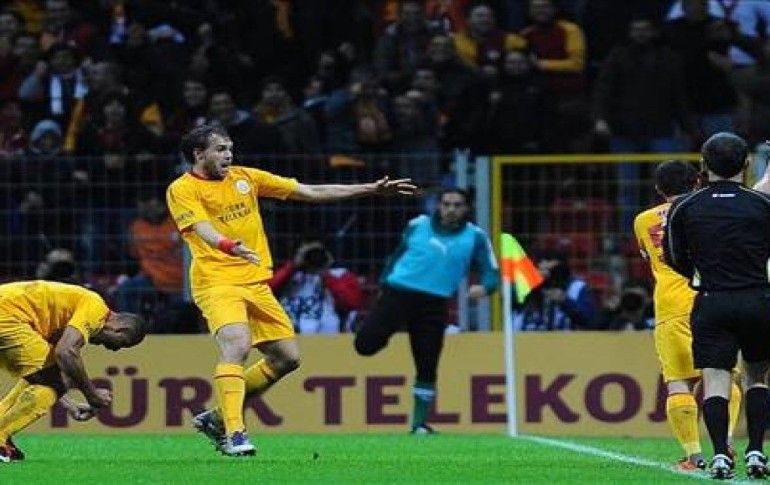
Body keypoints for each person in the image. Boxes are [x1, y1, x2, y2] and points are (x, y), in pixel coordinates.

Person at [165, 123, 415, 456]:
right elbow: (201, 228)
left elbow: (310, 192)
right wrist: (228, 245)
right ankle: (235, 433)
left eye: (230, 148)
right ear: (199, 154)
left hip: (255, 281)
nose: (228, 155)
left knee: (287, 358)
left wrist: (370, 189)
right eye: (220, 149)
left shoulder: (246, 178)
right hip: (216, 281)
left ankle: (217, 418)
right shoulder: (182, 189)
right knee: (237, 345)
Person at [663, 132, 770, 479]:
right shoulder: (761, 204)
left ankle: (721, 455)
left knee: (715, 380)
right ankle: (756, 451)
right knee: (757, 377)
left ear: (703, 165)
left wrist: (704, 273)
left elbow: (674, 257)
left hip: (712, 300)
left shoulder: (686, 206)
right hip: (757, 298)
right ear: (747, 163)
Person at [353, 188, 499, 434]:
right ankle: (388, 328)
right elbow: (395, 257)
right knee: (365, 346)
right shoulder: (418, 225)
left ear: (466, 208)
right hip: (398, 295)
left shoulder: (475, 236)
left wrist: (484, 288)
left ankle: (419, 424)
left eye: (457, 205)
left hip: (434, 303)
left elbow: (491, 272)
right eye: (447, 204)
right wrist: (383, 285)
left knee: (427, 364)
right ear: (439, 206)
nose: (451, 209)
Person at [635, 160, 742, 471]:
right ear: (697, 181)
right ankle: (725, 444)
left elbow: (650, 258)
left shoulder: (643, 220)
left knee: (679, 382)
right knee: (722, 374)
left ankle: (694, 456)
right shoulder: (711, 208)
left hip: (671, 305)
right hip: (714, 296)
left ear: (659, 189)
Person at [0, 280, 148, 462]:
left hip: (8, 311)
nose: (114, 349)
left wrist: (70, 404)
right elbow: (66, 352)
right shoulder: (96, 310)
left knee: (47, 375)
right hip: (8, 316)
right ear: (121, 329)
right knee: (56, 375)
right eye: (122, 344)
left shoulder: (65, 317)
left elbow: (45, 377)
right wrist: (92, 394)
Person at [267, 240, 363, 334]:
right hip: (290, 333)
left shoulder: (340, 274)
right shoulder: (287, 273)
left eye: (318, 252)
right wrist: (293, 265)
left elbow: (352, 303)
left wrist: (325, 273)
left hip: (326, 336)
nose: (314, 257)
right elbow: (267, 289)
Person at [512, 251, 596, 331]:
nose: (548, 276)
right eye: (542, 271)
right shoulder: (529, 288)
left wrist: (565, 301)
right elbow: (511, 304)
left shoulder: (577, 288)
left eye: (553, 271)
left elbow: (591, 321)